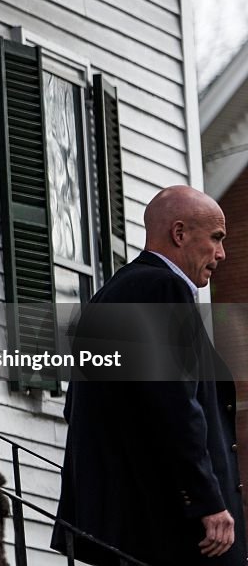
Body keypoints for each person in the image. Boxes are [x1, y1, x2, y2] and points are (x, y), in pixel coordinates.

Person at [51, 185, 243, 566]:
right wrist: (207, 502)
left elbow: (78, 406)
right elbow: (173, 406)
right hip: (172, 534)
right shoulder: (162, 288)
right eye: (216, 239)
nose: (222, 254)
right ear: (179, 233)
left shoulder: (112, 295)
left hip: (127, 529)